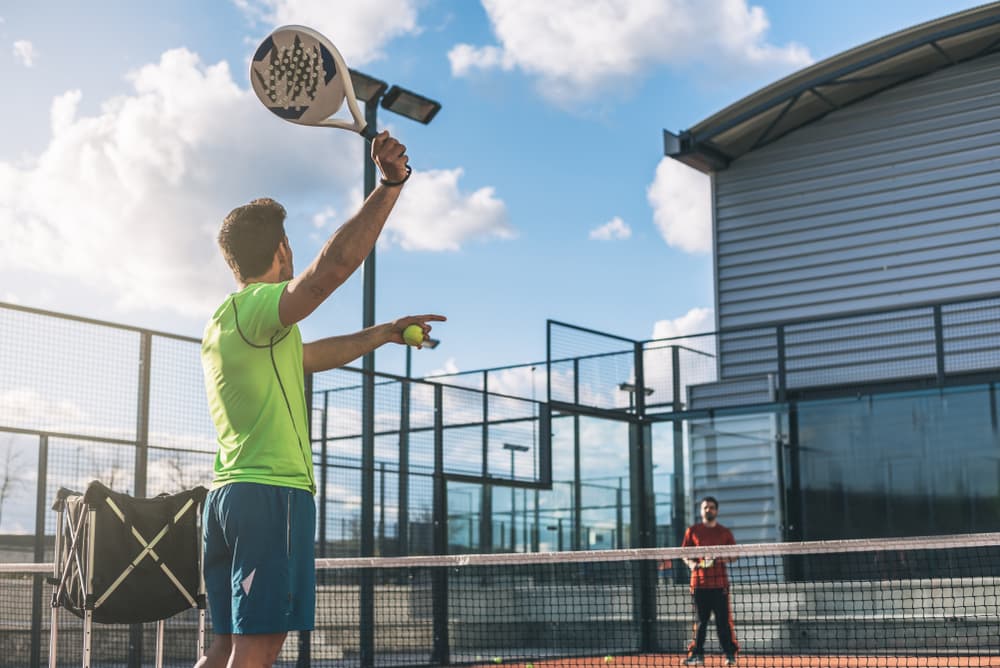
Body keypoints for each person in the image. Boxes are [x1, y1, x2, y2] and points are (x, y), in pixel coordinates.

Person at [195, 131, 445, 668]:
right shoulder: (262, 306)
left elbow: (312, 354)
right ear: (282, 251)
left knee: (223, 649)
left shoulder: (227, 322)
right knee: (257, 650)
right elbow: (329, 270)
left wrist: (383, 332)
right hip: (271, 496)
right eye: (290, 245)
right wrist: (390, 184)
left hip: (227, 500)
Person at [682, 496, 739, 666]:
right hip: (699, 585)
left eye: (712, 507)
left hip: (720, 585)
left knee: (723, 622)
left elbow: (734, 555)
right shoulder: (692, 531)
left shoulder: (724, 532)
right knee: (701, 622)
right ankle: (697, 655)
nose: (709, 510)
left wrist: (717, 559)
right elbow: (684, 553)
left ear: (717, 510)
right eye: (705, 507)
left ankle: (729, 655)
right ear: (701, 510)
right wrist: (692, 564)